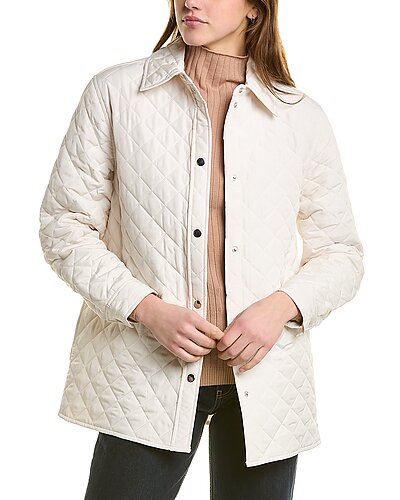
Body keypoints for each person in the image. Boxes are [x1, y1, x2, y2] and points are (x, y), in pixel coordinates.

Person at [38, 0, 364, 499]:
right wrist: (145, 310)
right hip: (144, 379)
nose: (190, 0)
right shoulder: (116, 93)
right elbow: (65, 226)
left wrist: (281, 308)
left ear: (255, 9)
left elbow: (341, 252)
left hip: (266, 385)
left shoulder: (300, 117)